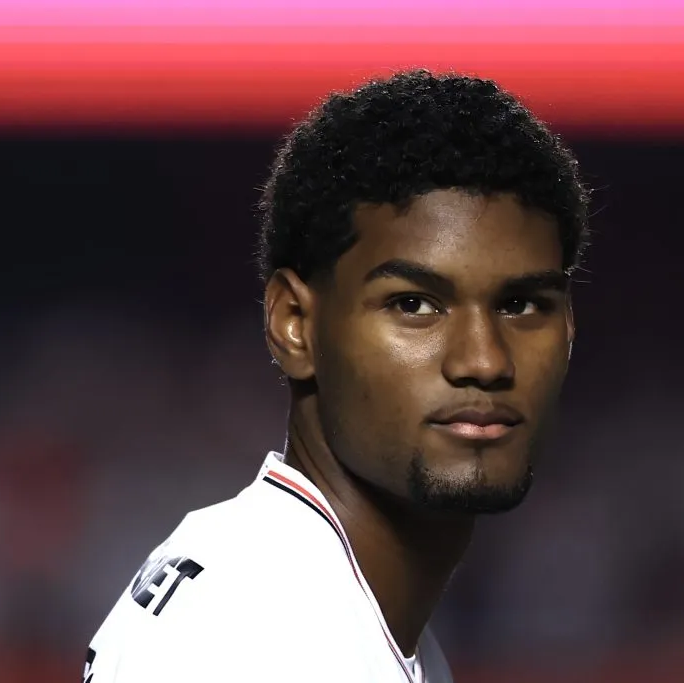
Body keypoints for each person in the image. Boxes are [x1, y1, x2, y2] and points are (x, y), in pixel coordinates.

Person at [84, 69, 590, 683]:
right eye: (413, 304)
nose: (484, 361)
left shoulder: (311, 609)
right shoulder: (253, 639)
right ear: (295, 325)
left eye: (521, 305)